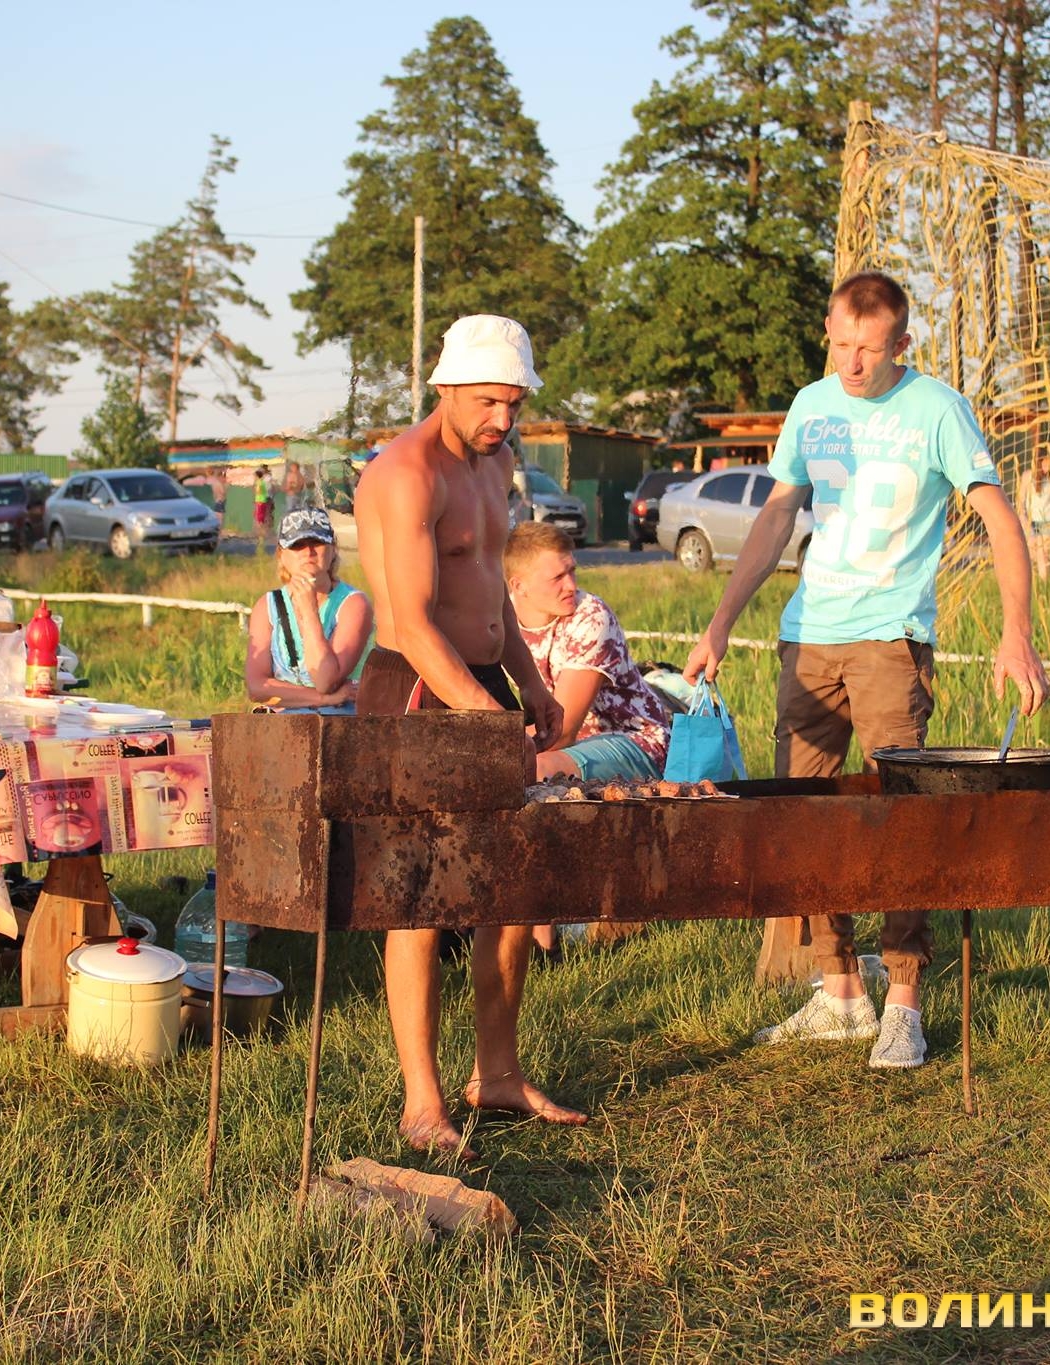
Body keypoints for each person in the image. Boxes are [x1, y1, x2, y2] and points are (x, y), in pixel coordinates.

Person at [684, 271, 1050, 1070]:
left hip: (891, 639)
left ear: (902, 344)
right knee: (804, 816)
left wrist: (1016, 634)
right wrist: (720, 623)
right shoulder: (812, 405)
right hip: (808, 637)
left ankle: (904, 1003)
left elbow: (998, 517)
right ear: (828, 332)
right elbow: (777, 514)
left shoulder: (937, 410)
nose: (852, 363)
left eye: (870, 350)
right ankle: (840, 990)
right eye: (842, 344)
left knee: (899, 818)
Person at [354, 313, 576, 1158]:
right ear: (444, 386)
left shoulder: (497, 462)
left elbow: (489, 594)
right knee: (419, 900)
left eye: (514, 403)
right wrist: (485, 718)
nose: (503, 419)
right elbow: (413, 623)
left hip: (482, 682)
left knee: (510, 888)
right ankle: (422, 1102)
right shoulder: (404, 474)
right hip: (415, 690)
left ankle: (499, 1074)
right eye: (488, 401)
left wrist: (530, 683)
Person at [507, 520, 670, 784]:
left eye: (572, 571)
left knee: (534, 769)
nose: (571, 586)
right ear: (518, 586)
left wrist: (494, 752)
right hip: (574, 748)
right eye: (557, 578)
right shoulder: (503, 618)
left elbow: (563, 733)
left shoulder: (591, 617)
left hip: (636, 741)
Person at [244, 507, 374, 714]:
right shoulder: (268, 606)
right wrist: (325, 699)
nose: (308, 552)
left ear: (333, 549)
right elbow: (258, 688)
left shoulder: (353, 604)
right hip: (286, 722)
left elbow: (325, 680)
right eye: (297, 545)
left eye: (317, 543)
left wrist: (309, 611)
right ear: (281, 555)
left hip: (340, 720)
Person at [1014, 451, 1050, 577]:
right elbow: (1020, 499)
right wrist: (1022, 516)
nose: (1047, 468)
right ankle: (1039, 577)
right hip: (1032, 520)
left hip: (1048, 519)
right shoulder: (1028, 476)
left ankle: (1045, 579)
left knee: (1044, 552)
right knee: (1034, 552)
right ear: (1039, 462)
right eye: (1045, 464)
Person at [252, 465, 276, 553]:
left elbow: (258, 490)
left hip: (263, 499)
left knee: (262, 516)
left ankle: (262, 532)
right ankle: (265, 531)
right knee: (266, 515)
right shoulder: (267, 479)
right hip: (266, 498)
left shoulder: (264, 480)